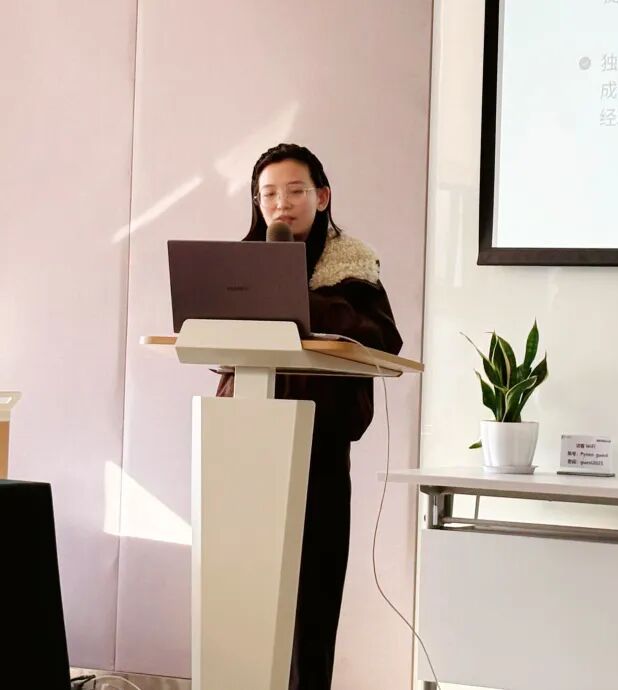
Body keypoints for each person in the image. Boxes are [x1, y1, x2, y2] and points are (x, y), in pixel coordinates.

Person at [216, 143, 403, 690]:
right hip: (245, 443)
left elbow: (383, 337)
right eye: (268, 193)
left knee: (311, 603)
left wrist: (297, 296)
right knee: (241, 594)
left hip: (317, 446)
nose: (281, 203)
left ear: (322, 197)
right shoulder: (235, 269)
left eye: (295, 191)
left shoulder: (353, 267)